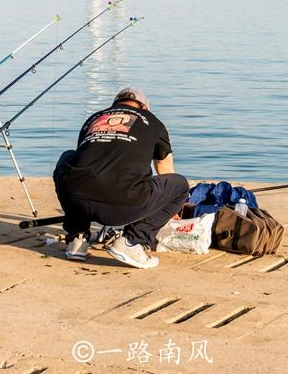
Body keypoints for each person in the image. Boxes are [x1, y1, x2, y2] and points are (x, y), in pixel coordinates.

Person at [52, 87, 189, 269]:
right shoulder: (153, 121)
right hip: (124, 206)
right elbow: (165, 169)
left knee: (69, 158)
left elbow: (84, 161)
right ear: (144, 107)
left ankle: (77, 237)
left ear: (115, 105)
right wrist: (169, 207)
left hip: (76, 203)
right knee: (179, 185)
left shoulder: (94, 118)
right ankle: (132, 241)